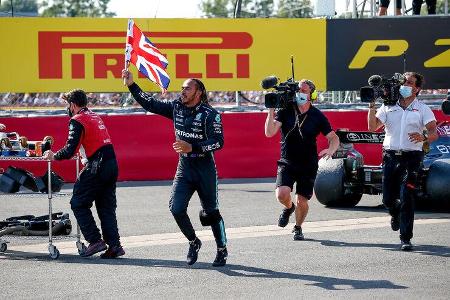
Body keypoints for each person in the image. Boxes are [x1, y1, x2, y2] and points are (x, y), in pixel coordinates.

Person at [122, 70, 228, 267]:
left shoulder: (211, 114)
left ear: (199, 92)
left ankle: (222, 249)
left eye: (187, 88)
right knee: (176, 208)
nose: (183, 91)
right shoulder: (176, 107)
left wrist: (193, 147)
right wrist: (132, 85)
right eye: (182, 88)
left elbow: (219, 142)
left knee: (211, 212)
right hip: (185, 168)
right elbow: (150, 104)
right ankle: (193, 241)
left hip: (204, 168)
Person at [43, 89, 124, 259]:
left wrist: (54, 155)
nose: (67, 108)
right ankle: (115, 246)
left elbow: (70, 149)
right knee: (106, 207)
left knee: (78, 202)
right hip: (111, 163)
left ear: (72, 105)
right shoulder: (94, 116)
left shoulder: (77, 119)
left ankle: (95, 240)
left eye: (67, 104)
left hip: (98, 165)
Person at [367, 72, 438, 251]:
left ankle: (406, 238)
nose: (405, 85)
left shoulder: (422, 108)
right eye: (403, 82)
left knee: (407, 196)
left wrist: (423, 136)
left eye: (409, 83)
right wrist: (372, 105)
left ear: (417, 88)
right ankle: (394, 211)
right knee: (388, 198)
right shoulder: (388, 106)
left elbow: (434, 133)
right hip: (390, 156)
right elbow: (373, 127)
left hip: (412, 158)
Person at [265, 79, 339, 240]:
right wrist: (271, 110)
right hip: (287, 161)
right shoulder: (285, 111)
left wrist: (331, 150)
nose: (300, 93)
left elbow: (333, 138)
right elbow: (269, 132)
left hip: (308, 163)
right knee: (281, 194)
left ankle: (298, 227)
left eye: (304, 91)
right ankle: (288, 208)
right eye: (298, 90)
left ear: (311, 94)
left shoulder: (317, 115)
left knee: (302, 200)